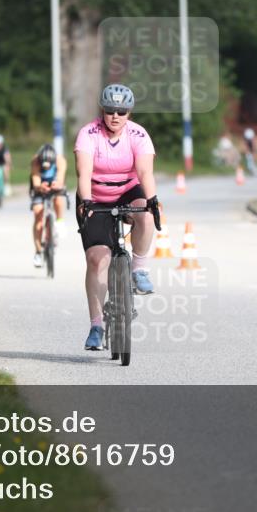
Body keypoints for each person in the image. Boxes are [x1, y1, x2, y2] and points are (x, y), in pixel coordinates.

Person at [75, 83, 160, 351]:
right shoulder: (88, 133)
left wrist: (153, 200)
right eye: (110, 110)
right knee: (97, 259)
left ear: (129, 113)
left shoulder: (138, 134)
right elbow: (83, 174)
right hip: (95, 195)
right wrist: (87, 202)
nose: (115, 115)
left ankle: (139, 270)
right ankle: (96, 326)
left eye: (121, 111)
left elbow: (145, 173)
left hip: (127, 189)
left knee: (144, 214)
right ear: (103, 110)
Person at [29, 143, 67, 267]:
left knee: (58, 199)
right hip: (40, 187)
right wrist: (40, 187)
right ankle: (38, 251)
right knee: (37, 213)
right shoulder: (35, 161)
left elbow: (60, 178)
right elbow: (35, 181)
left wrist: (57, 185)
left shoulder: (60, 160)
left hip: (55, 184)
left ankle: (60, 221)